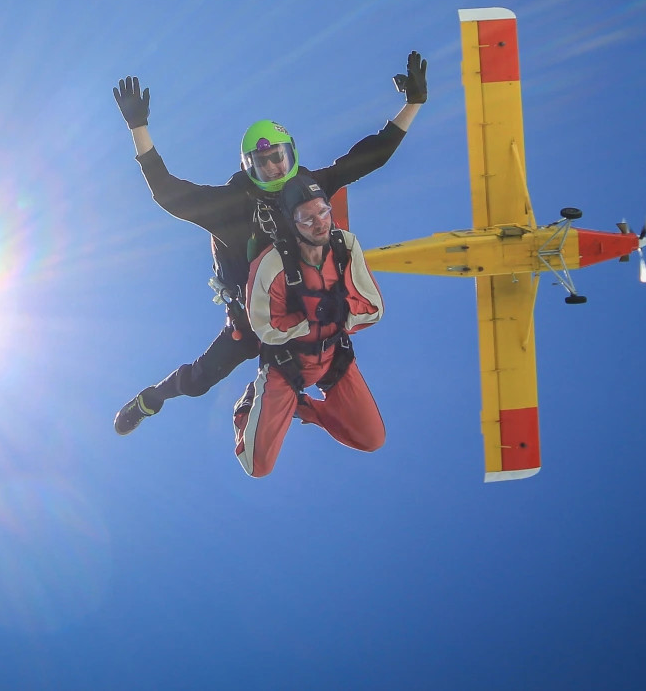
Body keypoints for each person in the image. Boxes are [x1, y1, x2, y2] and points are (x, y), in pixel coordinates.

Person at [110, 51, 428, 435]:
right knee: (198, 382)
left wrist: (412, 104)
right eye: (264, 164)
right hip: (251, 321)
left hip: (304, 312)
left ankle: (297, 400)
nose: (275, 168)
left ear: (291, 153)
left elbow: (366, 157)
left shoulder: (307, 189)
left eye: (279, 157)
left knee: (334, 377)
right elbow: (168, 192)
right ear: (250, 170)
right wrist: (138, 128)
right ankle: (152, 399)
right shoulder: (232, 209)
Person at [234, 173, 386, 477]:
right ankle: (247, 409)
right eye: (306, 218)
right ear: (292, 224)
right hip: (287, 365)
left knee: (371, 439)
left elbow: (373, 308)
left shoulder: (345, 246)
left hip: (335, 358)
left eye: (323, 211)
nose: (320, 223)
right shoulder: (272, 265)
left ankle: (305, 408)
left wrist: (341, 310)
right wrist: (308, 316)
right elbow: (265, 328)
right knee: (256, 466)